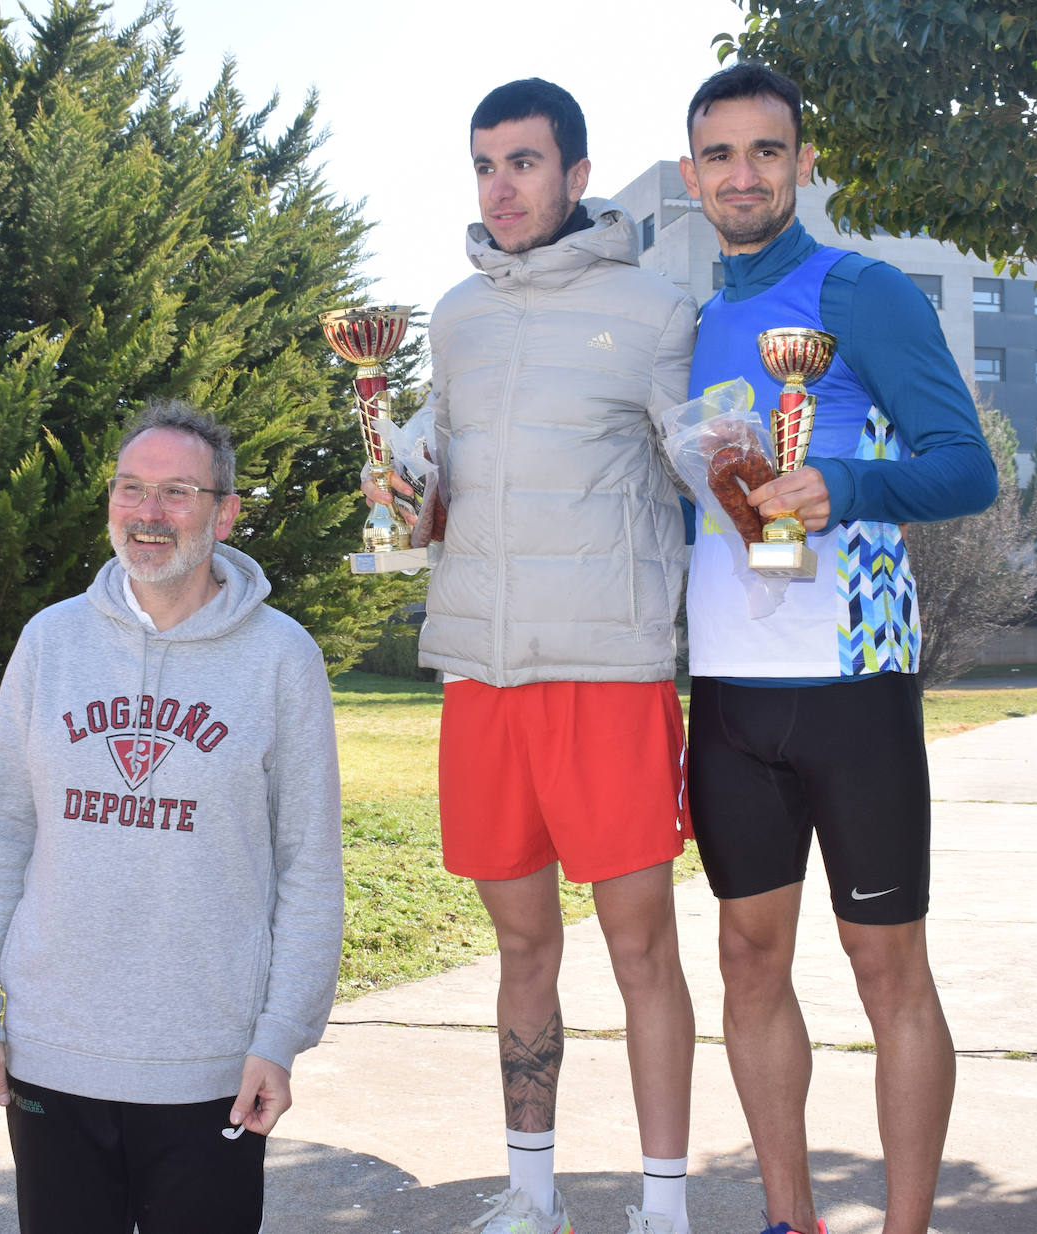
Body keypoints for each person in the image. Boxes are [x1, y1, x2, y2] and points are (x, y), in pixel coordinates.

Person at [367, 78, 698, 1234]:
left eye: (522, 162)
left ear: (576, 174)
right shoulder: (453, 317)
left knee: (641, 947)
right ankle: (530, 1191)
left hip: (608, 677)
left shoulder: (656, 309)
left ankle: (664, 1207)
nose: (500, 186)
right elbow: (438, 502)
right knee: (519, 944)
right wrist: (406, 494)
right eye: (483, 165)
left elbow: (707, 470)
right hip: (482, 677)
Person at [676, 63, 999, 1234]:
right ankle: (787, 1220)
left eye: (768, 151)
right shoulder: (697, 322)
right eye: (721, 155)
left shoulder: (859, 290)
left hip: (854, 684)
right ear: (692, 175)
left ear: (805, 164)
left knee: (887, 970)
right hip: (728, 696)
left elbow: (966, 467)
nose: (744, 175)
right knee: (749, 966)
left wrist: (843, 484)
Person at [0, 400, 344, 1234]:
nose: (148, 514)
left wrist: (281, 1035)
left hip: (211, 1063)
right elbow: (1, 835)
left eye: (177, 493)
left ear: (224, 513)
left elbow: (309, 866)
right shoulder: (50, 642)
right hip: (53, 1053)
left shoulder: (281, 658)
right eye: (132, 489)